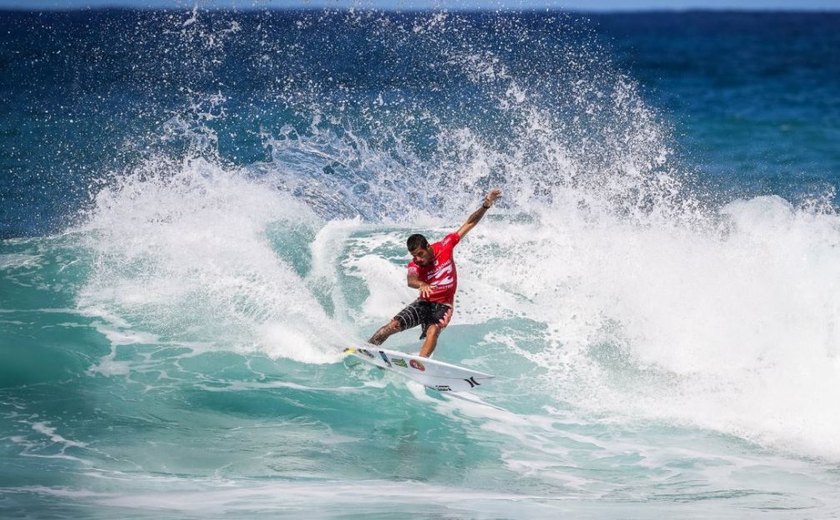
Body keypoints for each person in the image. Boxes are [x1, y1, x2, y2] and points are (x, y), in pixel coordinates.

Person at [368, 189, 502, 358]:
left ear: (428, 247)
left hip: (443, 305)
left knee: (433, 330)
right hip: (424, 303)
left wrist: (486, 205)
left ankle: (421, 364)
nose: (417, 259)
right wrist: (422, 284)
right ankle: (366, 349)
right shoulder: (414, 264)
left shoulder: (445, 246)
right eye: (413, 256)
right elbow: (411, 280)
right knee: (393, 325)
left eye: (420, 254)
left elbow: (469, 224)